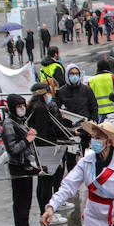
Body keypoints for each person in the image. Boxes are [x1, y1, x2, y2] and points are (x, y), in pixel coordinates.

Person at [0, 94, 42, 226]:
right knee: (20, 202)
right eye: (18, 106)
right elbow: (12, 149)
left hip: (26, 165)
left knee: (27, 200)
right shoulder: (9, 125)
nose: (22, 109)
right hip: (18, 167)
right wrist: (27, 140)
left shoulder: (20, 121)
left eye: (23, 105)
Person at [26, 82, 74, 217]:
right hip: (46, 150)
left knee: (43, 183)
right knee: (46, 183)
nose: (49, 95)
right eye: (48, 93)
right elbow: (43, 133)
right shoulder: (41, 109)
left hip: (40, 150)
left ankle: (45, 211)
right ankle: (46, 213)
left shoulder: (33, 108)